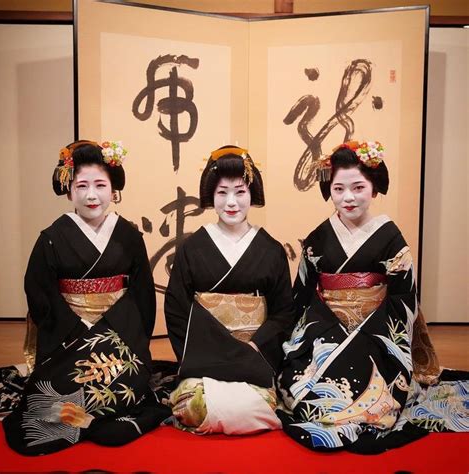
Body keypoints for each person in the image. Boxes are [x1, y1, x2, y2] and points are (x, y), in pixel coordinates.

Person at [278, 141, 468, 454]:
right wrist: (318, 330)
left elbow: (403, 297)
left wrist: (367, 332)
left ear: (375, 188)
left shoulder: (390, 237)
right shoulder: (318, 237)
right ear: (329, 190)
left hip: (378, 334)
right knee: (299, 389)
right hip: (325, 333)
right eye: (338, 189)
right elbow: (303, 293)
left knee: (375, 395)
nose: (348, 197)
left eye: (358, 187)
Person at [2, 140, 170, 455]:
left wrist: (121, 334)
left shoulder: (129, 236)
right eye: (82, 186)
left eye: (100, 185)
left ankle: (95, 419)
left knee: (125, 383)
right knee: (53, 397)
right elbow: (40, 293)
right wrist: (78, 329)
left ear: (113, 189)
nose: (91, 195)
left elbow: (141, 294)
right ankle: (93, 420)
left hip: (120, 338)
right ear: (69, 191)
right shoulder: (52, 238)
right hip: (67, 339)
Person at [165, 145, 295, 434]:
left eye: (240, 192)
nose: (231, 202)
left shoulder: (271, 249)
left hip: (254, 355)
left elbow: (284, 311)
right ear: (211, 196)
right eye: (222, 192)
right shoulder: (193, 247)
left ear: (252, 195)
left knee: (255, 406)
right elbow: (176, 307)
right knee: (194, 408)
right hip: (204, 357)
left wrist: (255, 346)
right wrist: (206, 349)